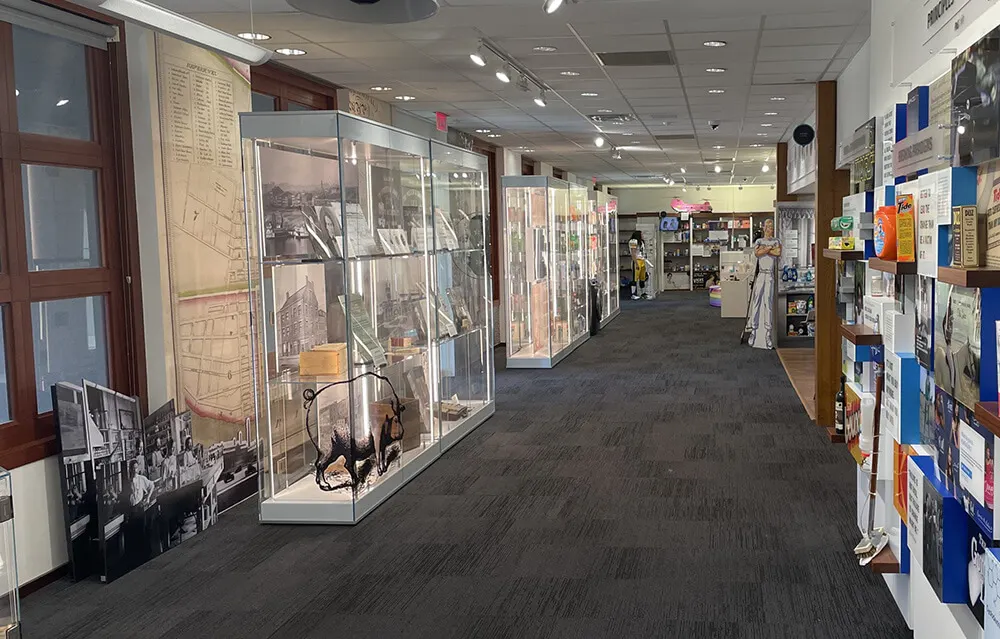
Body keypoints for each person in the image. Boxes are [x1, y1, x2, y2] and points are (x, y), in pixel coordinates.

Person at [744, 218, 781, 349]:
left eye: (771, 227)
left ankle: (767, 334)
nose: (769, 229)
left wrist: (766, 249)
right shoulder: (759, 241)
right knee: (756, 302)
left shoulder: (776, 241)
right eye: (767, 226)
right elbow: (757, 253)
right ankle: (753, 331)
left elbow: (778, 252)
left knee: (768, 304)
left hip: (770, 274)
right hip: (761, 274)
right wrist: (769, 249)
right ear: (764, 227)